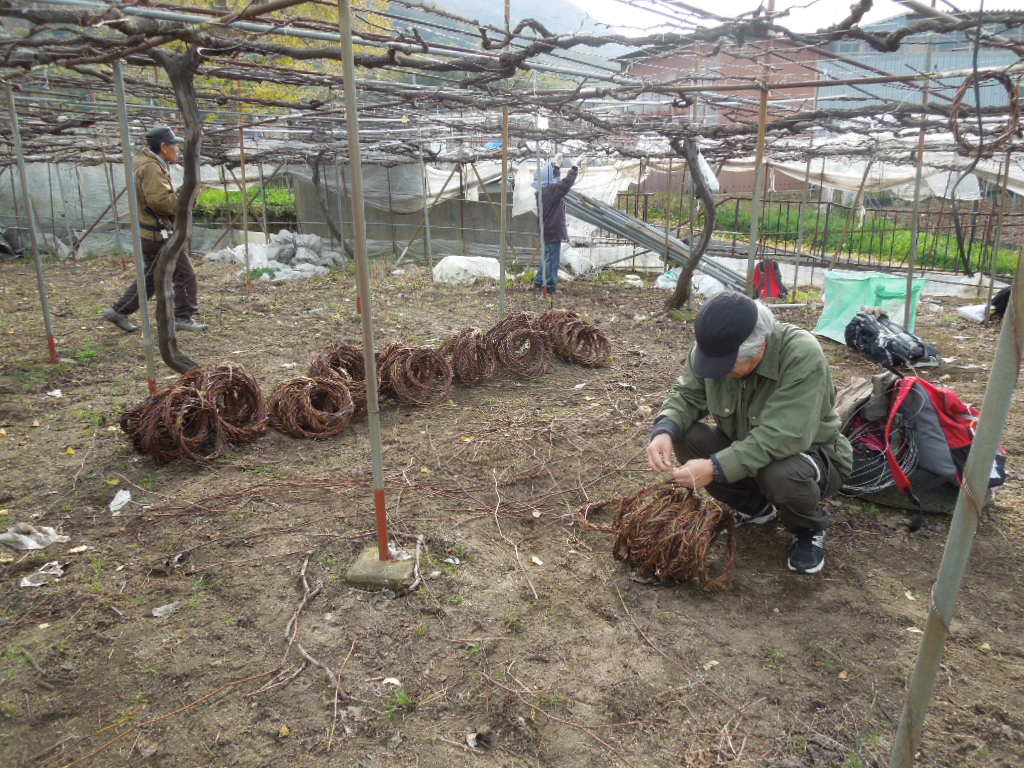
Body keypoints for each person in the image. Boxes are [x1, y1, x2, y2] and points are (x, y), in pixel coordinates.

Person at [646, 292, 852, 575]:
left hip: (810, 455)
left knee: (779, 472)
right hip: (747, 448)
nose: (719, 373)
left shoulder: (801, 354)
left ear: (759, 347)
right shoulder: (714, 347)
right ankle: (756, 509)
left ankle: (807, 529)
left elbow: (782, 435)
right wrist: (664, 429)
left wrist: (715, 468)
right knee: (684, 435)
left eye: (727, 368)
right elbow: (687, 395)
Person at [103, 126, 206, 333]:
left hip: (150, 232)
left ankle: (119, 311)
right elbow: (161, 202)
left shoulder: (148, 163)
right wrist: (188, 196)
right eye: (174, 146)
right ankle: (182, 316)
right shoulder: (151, 168)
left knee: (152, 276)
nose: (177, 150)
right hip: (157, 234)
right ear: (163, 146)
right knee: (185, 275)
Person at [532, 159, 578, 296]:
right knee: (552, 261)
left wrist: (556, 167)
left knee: (546, 257)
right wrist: (574, 169)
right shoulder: (551, 190)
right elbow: (564, 185)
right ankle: (550, 287)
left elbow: (557, 182)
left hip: (546, 230)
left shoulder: (542, 191)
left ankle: (539, 282)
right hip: (552, 230)